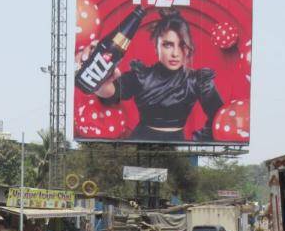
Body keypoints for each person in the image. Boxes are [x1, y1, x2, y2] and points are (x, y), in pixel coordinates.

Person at [80, 8, 224, 142]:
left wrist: (197, 141)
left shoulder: (197, 80)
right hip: (139, 145)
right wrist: (97, 78)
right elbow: (110, 93)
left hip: (176, 148)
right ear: (156, 46)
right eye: (168, 45)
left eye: (181, 45)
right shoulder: (141, 76)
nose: (175, 53)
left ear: (188, 47)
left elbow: (219, 117)